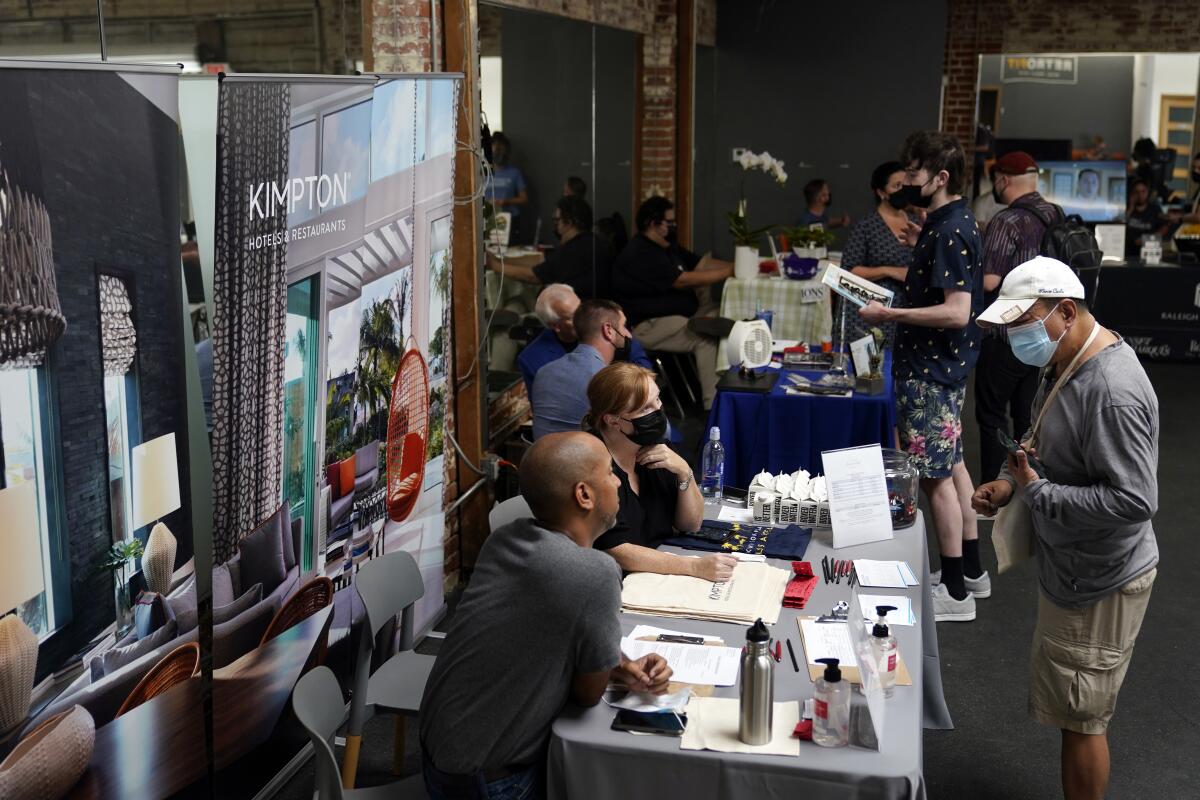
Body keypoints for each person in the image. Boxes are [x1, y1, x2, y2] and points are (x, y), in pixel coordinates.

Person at [972, 256, 1158, 800]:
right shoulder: (1067, 360)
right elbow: (1040, 441)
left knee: (1083, 718)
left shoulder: (1112, 391)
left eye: (1021, 324)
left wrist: (1037, 492)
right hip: (1077, 571)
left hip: (1100, 579)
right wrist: (1010, 482)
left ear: (1066, 311)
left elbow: (1134, 499)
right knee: (1074, 707)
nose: (1014, 338)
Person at [420, 431, 673, 799]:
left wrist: (617, 663)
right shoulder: (595, 572)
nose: (619, 481)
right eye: (610, 472)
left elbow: (542, 630)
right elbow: (589, 694)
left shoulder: (505, 539)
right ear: (584, 494)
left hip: (438, 754)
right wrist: (606, 668)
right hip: (490, 781)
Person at [859, 130, 985, 623]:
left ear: (941, 177)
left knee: (935, 482)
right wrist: (920, 248)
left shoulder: (950, 229)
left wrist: (890, 316)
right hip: (941, 368)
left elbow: (956, 312)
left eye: (913, 173)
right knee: (952, 469)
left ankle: (954, 592)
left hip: (930, 370)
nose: (906, 181)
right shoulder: (947, 223)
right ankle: (970, 571)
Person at [584, 362, 735, 582]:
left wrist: (685, 472)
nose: (658, 412)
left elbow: (691, 524)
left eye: (658, 400)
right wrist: (694, 566)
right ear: (613, 420)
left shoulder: (656, 448)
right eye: (645, 408)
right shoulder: (593, 465)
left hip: (658, 572)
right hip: (614, 583)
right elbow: (615, 549)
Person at [975, 151, 1062, 488]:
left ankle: (993, 491)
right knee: (1027, 418)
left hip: (1006, 334)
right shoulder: (1054, 214)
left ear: (1003, 180)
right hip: (1047, 331)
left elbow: (990, 282)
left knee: (991, 416)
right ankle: (1028, 484)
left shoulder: (1006, 220)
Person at [610, 196, 733, 410]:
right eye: (669, 221)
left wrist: (743, 264)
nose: (673, 226)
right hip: (650, 324)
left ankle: (731, 390)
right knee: (706, 337)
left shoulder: (667, 246)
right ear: (652, 224)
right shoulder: (640, 252)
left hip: (683, 315)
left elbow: (701, 263)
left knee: (726, 316)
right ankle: (713, 407)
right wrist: (731, 272)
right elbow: (682, 279)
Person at [517, 284, 652, 395]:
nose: (582, 316)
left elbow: (644, 369)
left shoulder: (603, 323)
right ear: (555, 326)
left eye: (581, 307)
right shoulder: (533, 359)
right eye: (571, 316)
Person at [531, 299, 634, 440]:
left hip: (541, 459)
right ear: (608, 330)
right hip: (585, 459)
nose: (629, 334)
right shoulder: (607, 381)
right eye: (624, 326)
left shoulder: (543, 372)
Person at [838, 161, 914, 348]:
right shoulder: (867, 226)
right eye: (897, 186)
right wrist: (890, 271)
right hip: (871, 311)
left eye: (906, 185)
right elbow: (847, 271)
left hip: (908, 312)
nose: (903, 190)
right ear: (881, 192)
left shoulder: (915, 223)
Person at [486, 196, 610, 299]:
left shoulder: (576, 250)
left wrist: (495, 266)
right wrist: (501, 259)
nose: (555, 226)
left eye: (557, 220)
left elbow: (533, 276)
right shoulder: (586, 242)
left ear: (569, 223)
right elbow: (540, 260)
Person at [484, 131, 528, 237]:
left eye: (501, 149)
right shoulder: (483, 172)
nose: (499, 152)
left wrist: (506, 201)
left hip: (510, 220)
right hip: (487, 219)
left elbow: (524, 199)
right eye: (496, 148)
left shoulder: (514, 172)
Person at [1124, 178, 1168, 257]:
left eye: (1143, 191)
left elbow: (1164, 227)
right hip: (1128, 252)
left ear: (1148, 192)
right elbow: (1119, 225)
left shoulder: (1155, 209)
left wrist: (1147, 240)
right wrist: (1131, 208)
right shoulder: (1127, 208)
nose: (1140, 195)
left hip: (1149, 252)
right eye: (1136, 192)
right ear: (1132, 193)